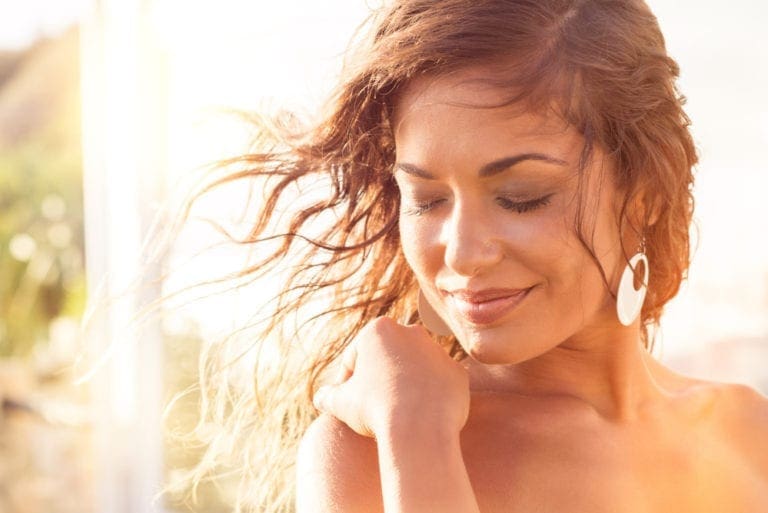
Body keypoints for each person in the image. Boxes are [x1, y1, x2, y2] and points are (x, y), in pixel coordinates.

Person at [181, 0, 768, 511]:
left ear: (640, 197)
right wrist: (418, 436)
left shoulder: (747, 434)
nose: (460, 253)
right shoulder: (368, 451)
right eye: (427, 199)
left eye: (521, 198)